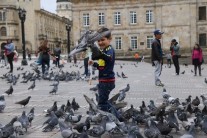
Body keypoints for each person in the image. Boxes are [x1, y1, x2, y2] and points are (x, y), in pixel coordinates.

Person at [88, 27, 123, 121]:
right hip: (104, 80)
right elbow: (101, 66)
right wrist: (94, 64)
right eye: (98, 41)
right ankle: (117, 117)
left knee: (102, 103)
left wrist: (98, 53)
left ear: (109, 39)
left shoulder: (109, 50)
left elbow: (108, 58)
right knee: (104, 101)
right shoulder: (104, 51)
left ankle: (107, 119)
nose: (100, 42)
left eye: (103, 40)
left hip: (107, 81)